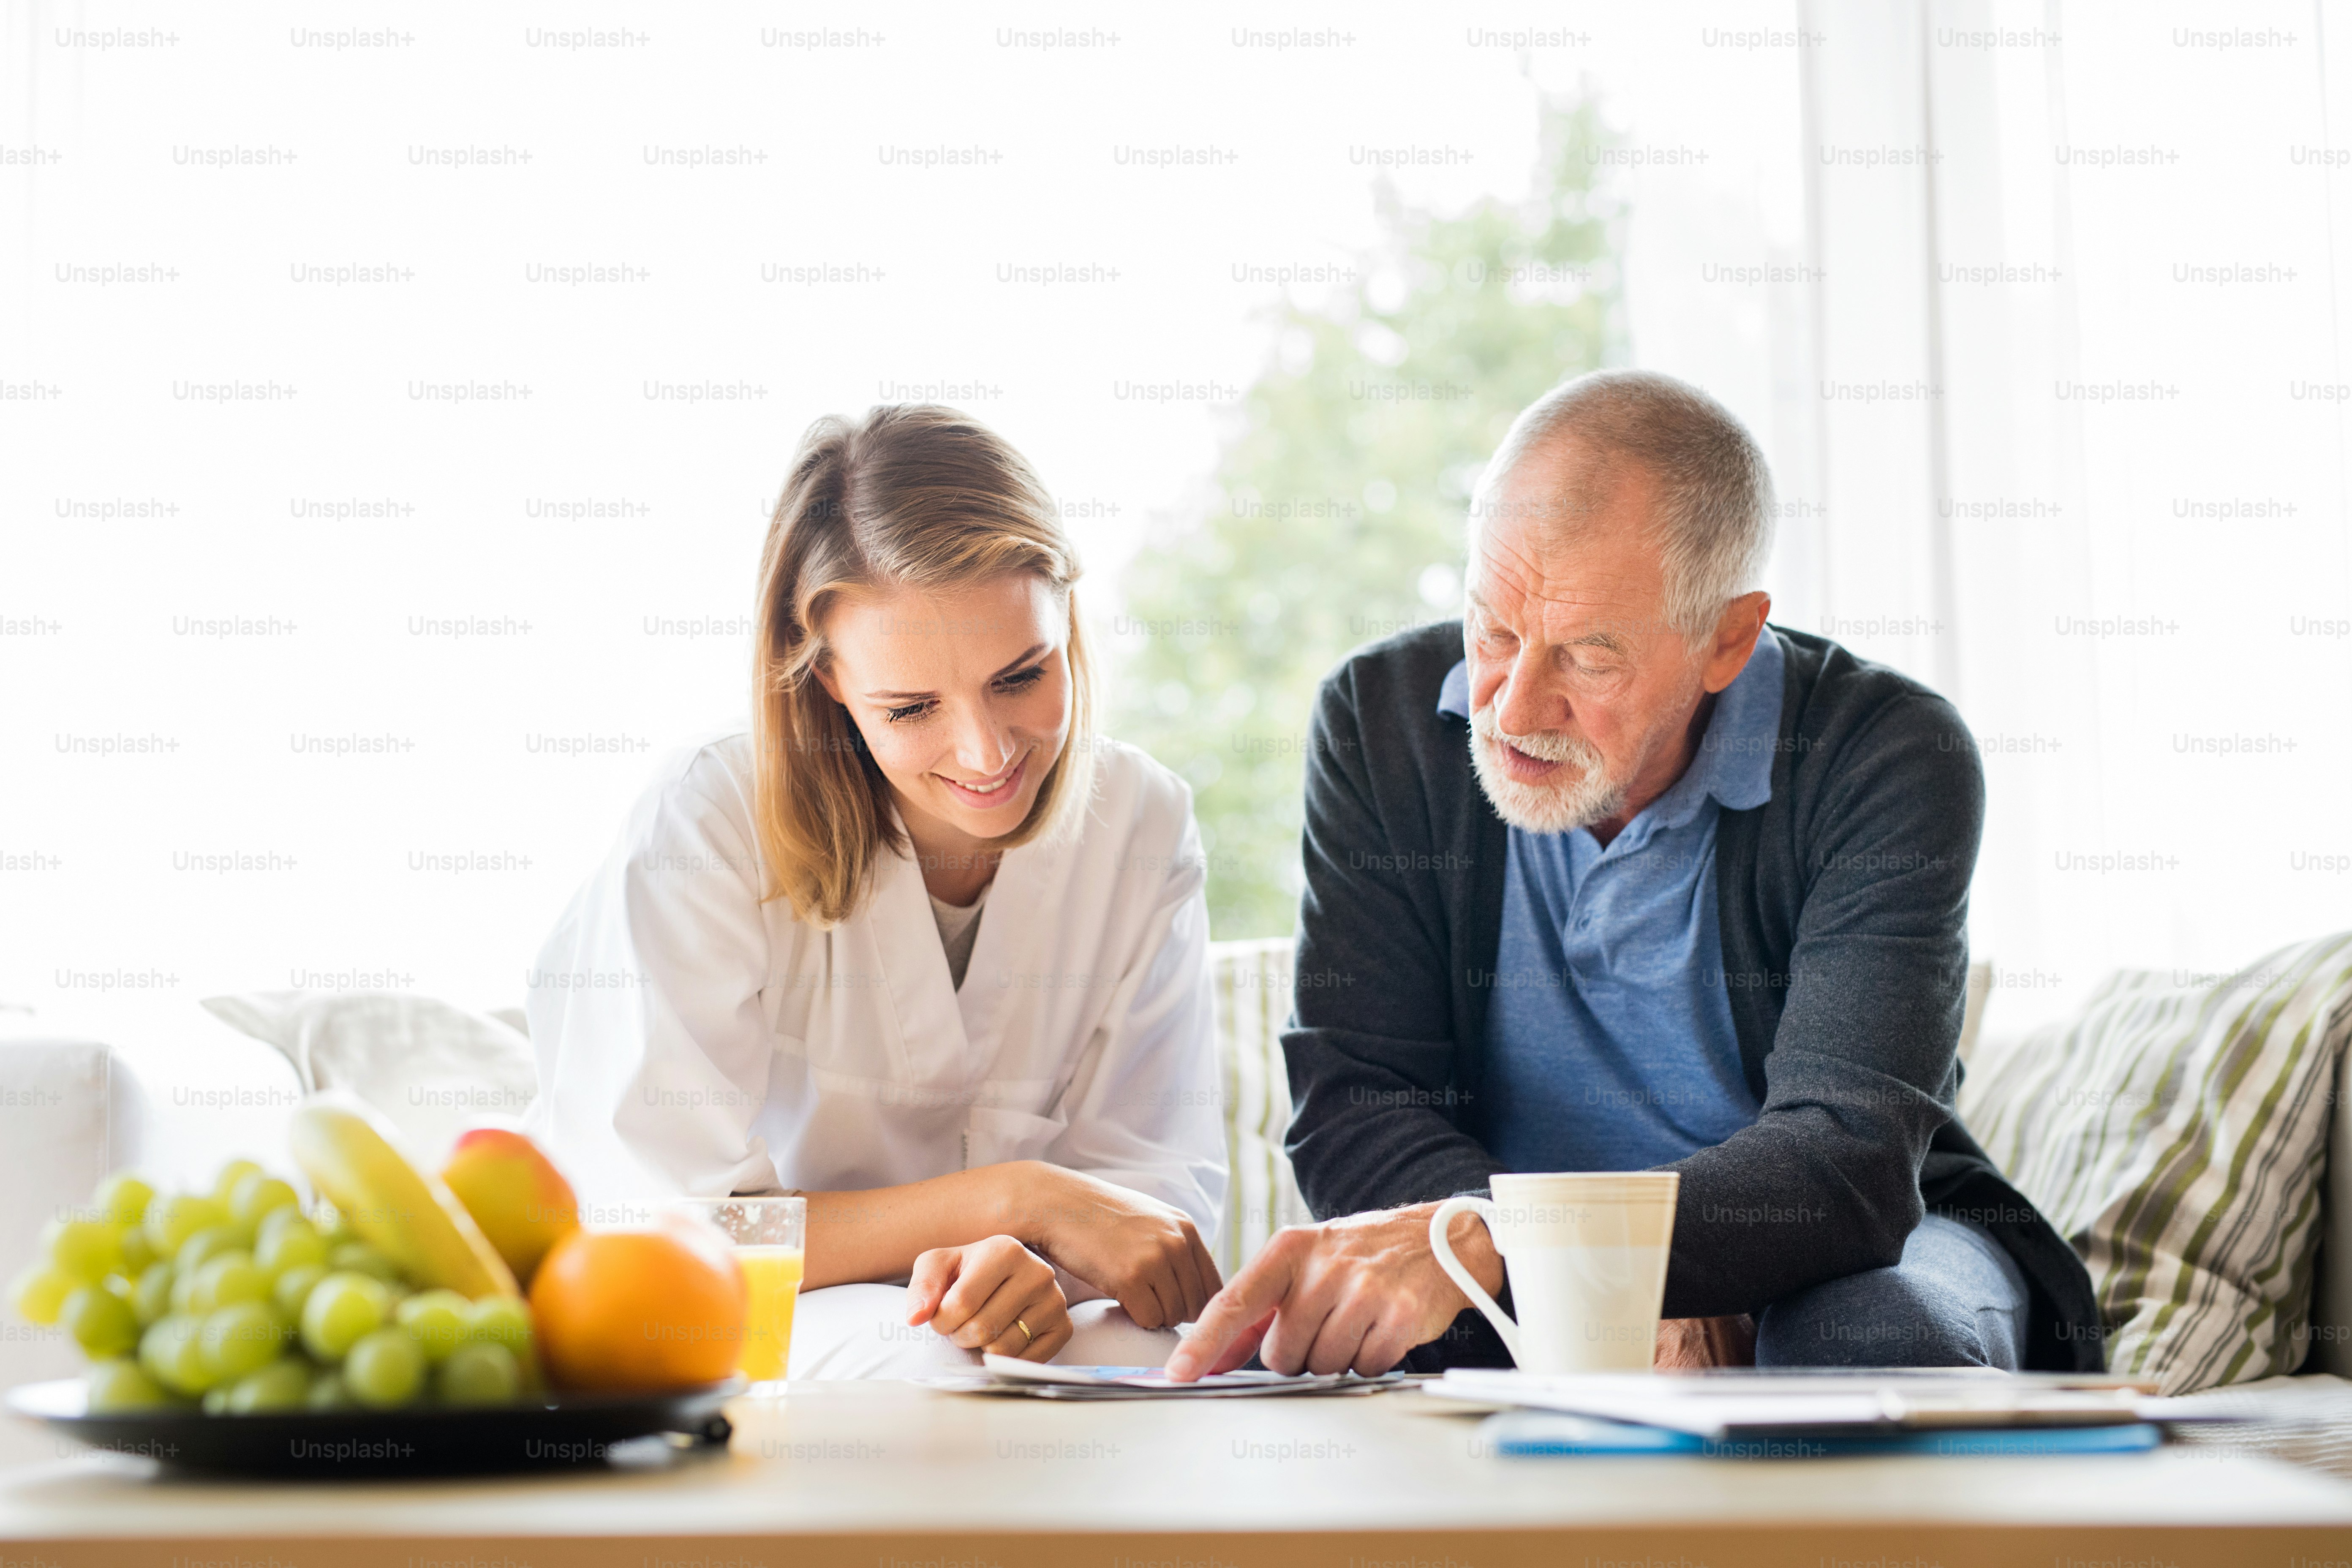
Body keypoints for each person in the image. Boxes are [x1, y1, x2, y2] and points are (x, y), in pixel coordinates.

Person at [1168, 368, 2102, 1382]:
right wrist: (1572, 1281)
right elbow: (1363, 1097)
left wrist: (1556, 1254)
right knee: (1366, 1331)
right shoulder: (1378, 721)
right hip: (1498, 1264)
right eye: (1494, 630)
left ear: (1728, 639)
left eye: (1589, 657)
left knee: (1873, 1345)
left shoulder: (1885, 753)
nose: (1515, 707)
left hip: (1844, 1255)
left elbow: (1847, 1160)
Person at [526, 404, 1225, 1375]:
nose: (986, 752)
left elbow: (1153, 1203)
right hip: (760, 1310)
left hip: (1037, 1304)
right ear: (827, 686)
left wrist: (1021, 1259)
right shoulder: (710, 819)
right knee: (939, 1379)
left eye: (1022, 675)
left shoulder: (1142, 819)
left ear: (1067, 616)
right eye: (911, 708)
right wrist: (1010, 1200)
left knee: (1161, 1358)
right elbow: (670, 1226)